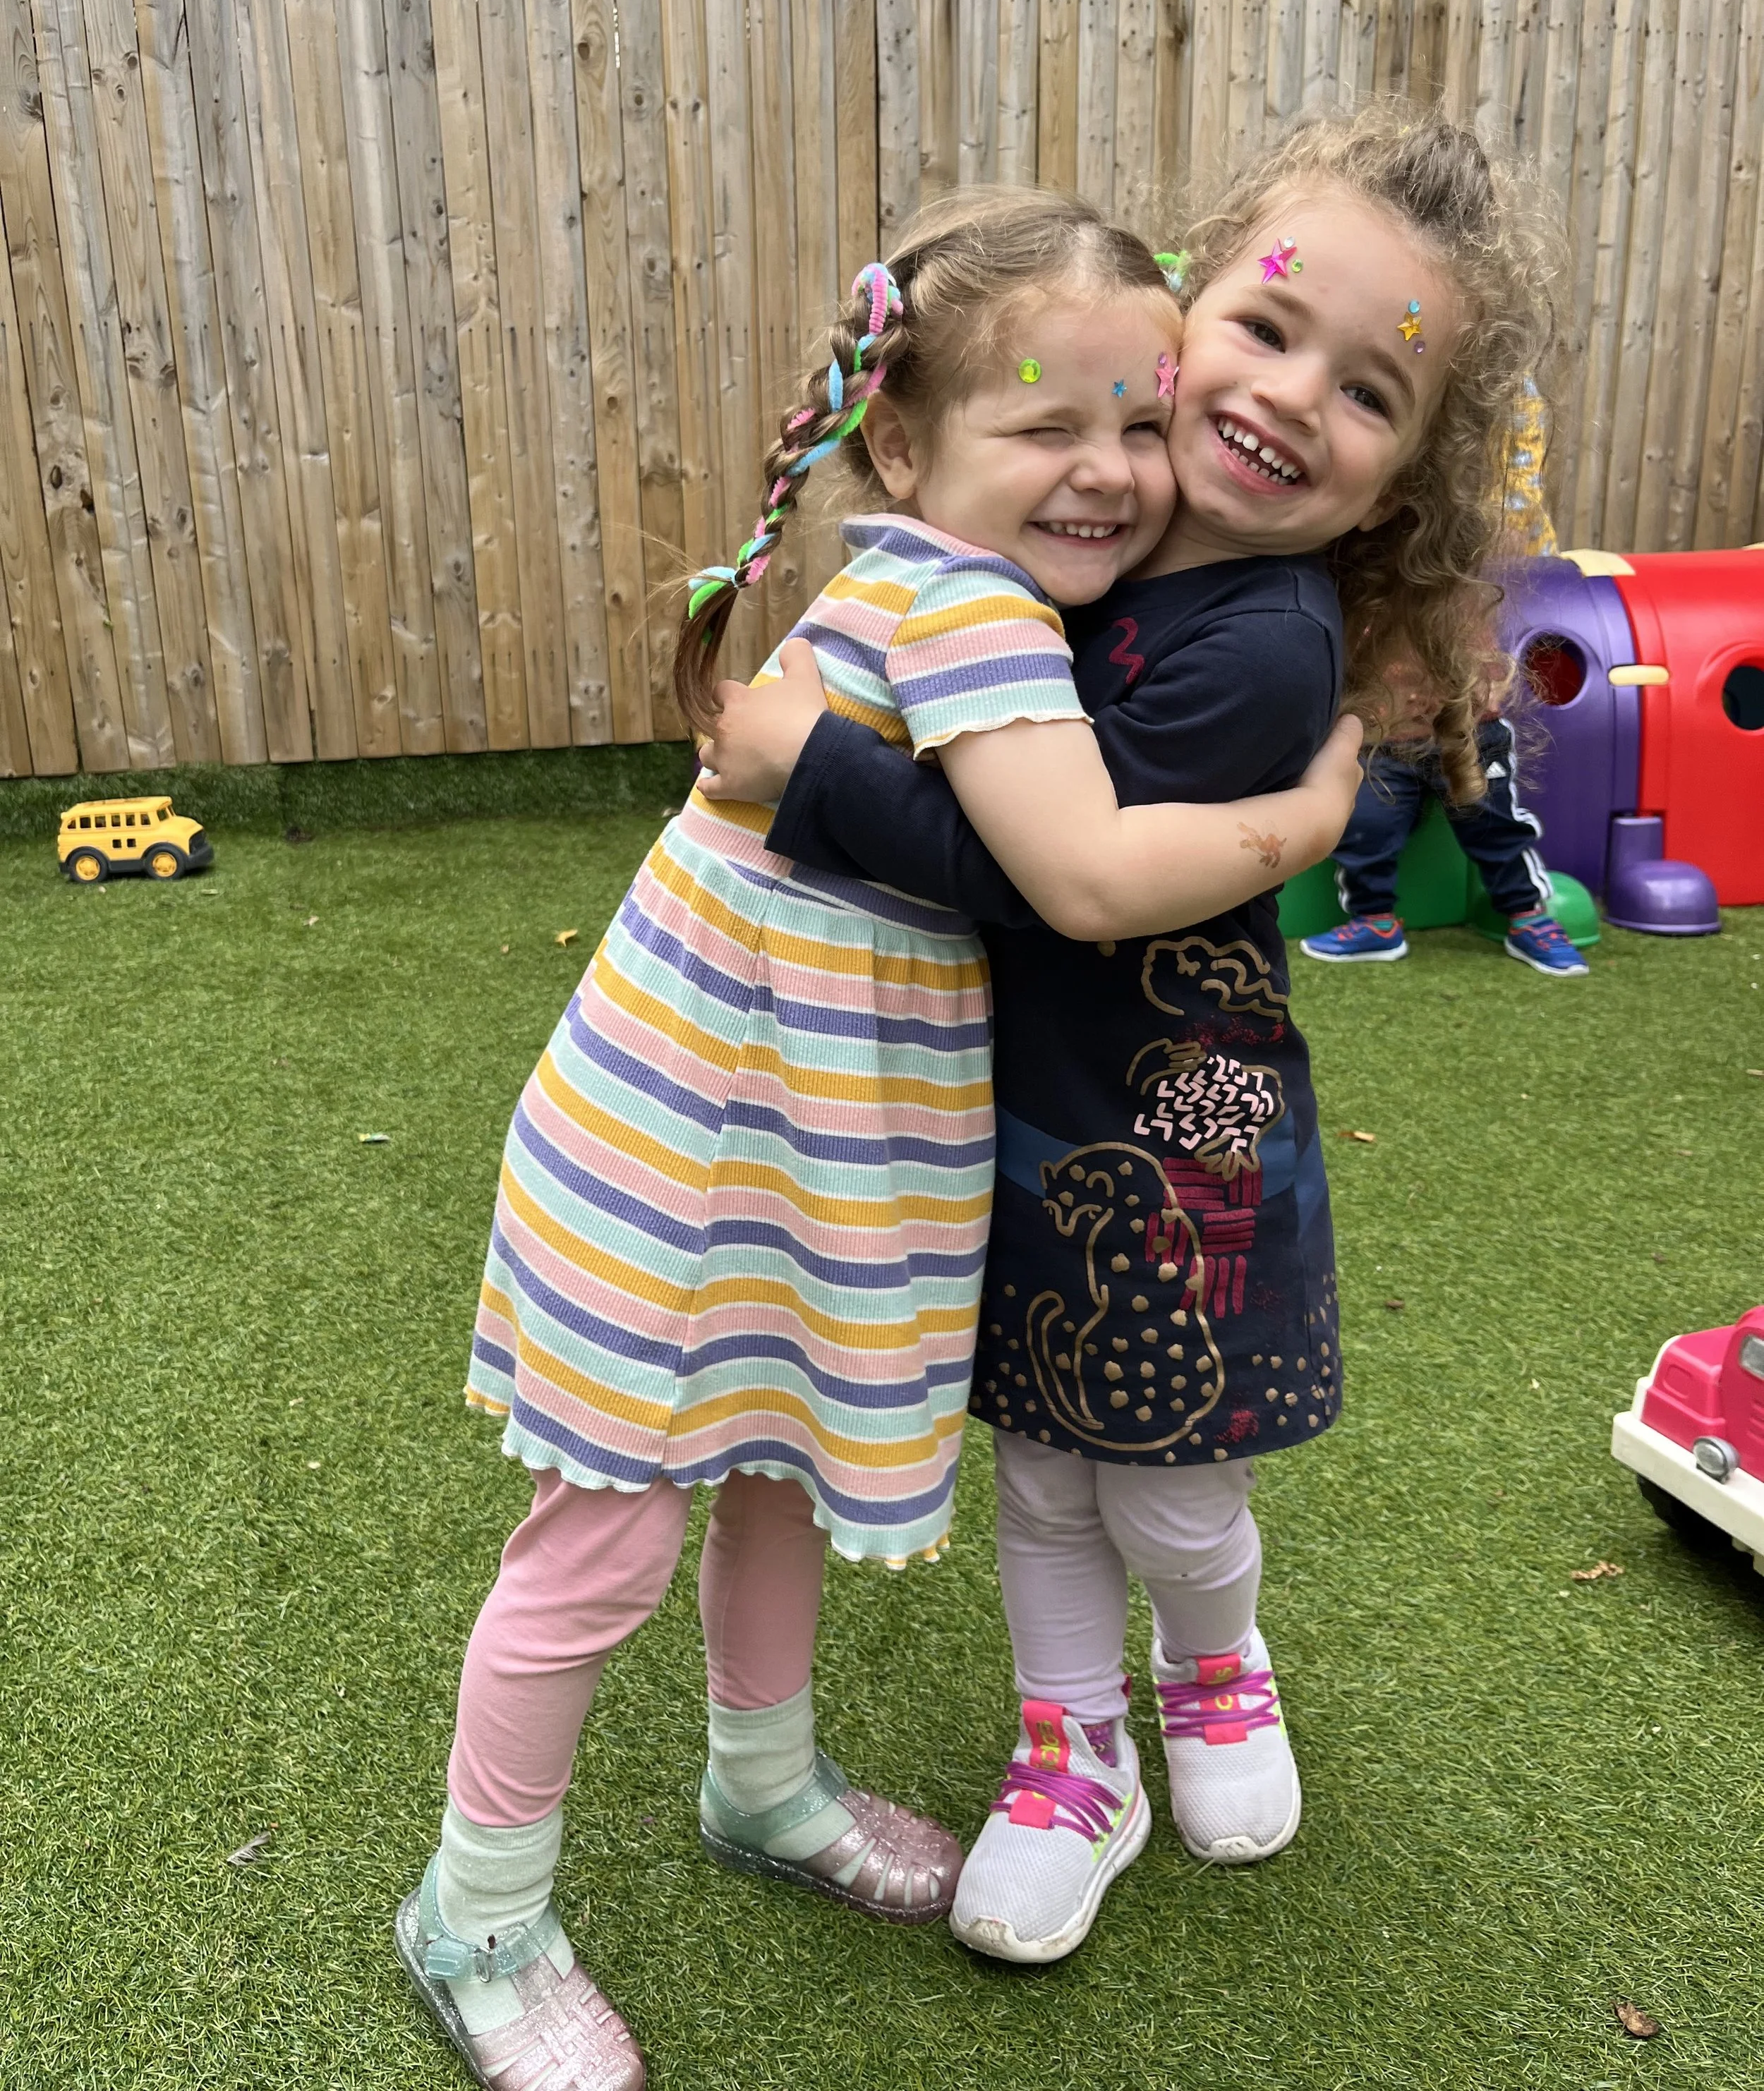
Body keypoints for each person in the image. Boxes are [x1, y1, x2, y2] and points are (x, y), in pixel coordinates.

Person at [394, 190, 1365, 2091]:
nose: (1105, 473)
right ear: (904, 445)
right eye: (1042, 424)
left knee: (771, 1469)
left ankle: (762, 1780)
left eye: (1134, 419)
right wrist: (1312, 804)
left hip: (806, 1129)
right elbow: (1081, 877)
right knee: (597, 1544)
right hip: (703, 1142)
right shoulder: (969, 604)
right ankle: (476, 1910)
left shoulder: (954, 584)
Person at [702, 111, 1554, 1965]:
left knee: (1168, 1463)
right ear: (1182, 321)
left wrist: (815, 773)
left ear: (1401, 478)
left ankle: (1213, 1654)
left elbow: (1059, 877)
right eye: (1264, 330)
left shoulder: (1253, 642)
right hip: (1023, 1091)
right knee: (1036, 1453)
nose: (1284, 396)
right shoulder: (1105, 529)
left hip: (1187, 1112)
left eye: (1365, 390)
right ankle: (1066, 1743)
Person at [1299, 646, 1590, 975]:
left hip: (1467, 731)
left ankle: (1529, 918)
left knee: (1495, 827)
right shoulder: (1363, 605)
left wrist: (1489, 690)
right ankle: (1375, 923)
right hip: (1385, 736)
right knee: (1365, 824)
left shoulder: (1458, 604)